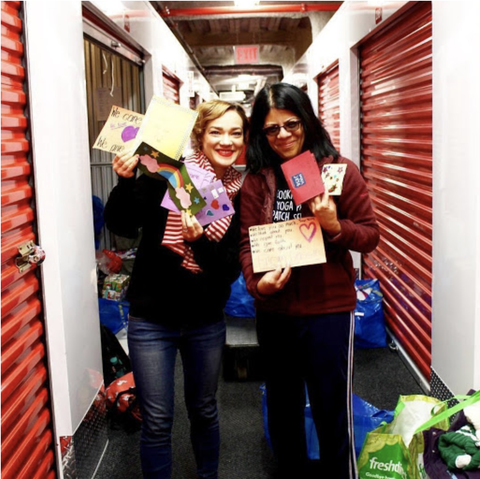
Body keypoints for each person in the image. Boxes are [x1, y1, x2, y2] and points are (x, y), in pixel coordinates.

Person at [239, 83, 380, 479]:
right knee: (283, 411)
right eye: (271, 129)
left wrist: (335, 226)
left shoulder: (337, 170)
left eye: (291, 124)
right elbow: (247, 244)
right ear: (260, 133)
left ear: (307, 121)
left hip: (328, 311)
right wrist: (257, 285)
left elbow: (370, 234)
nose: (283, 135)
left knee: (332, 410)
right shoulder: (257, 180)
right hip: (275, 312)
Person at [104, 99, 248, 479]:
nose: (226, 140)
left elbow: (227, 270)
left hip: (205, 320)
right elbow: (121, 223)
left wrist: (198, 241)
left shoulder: (239, 192)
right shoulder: (168, 173)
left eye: (235, 132)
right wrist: (125, 180)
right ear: (200, 135)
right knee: (156, 418)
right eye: (216, 131)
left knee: (204, 409)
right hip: (152, 319)